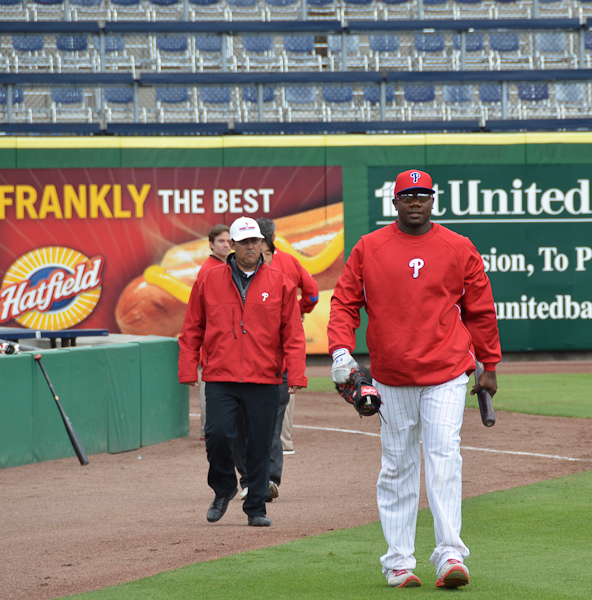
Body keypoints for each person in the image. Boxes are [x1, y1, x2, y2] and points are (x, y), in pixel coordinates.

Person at [327, 169, 501, 589]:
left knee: (444, 458)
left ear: (433, 200)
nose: (416, 201)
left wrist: (489, 364)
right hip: (390, 376)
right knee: (398, 466)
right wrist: (339, 351)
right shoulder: (370, 247)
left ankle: (450, 555)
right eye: (408, 196)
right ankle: (398, 562)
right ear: (396, 202)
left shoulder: (459, 247)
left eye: (423, 195)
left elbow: (480, 307)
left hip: (447, 372)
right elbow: (344, 302)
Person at [179, 216, 307, 527]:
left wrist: (298, 374)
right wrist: (187, 368)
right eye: (244, 242)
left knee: (261, 443)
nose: (251, 247)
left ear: (264, 244)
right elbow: (192, 327)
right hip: (220, 374)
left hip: (264, 375)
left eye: (255, 241)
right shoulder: (208, 281)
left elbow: (293, 333)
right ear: (232, 246)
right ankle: (223, 488)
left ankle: (256, 507)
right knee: (218, 435)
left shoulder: (281, 283)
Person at [255, 217, 319, 494]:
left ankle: (261, 473)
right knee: (284, 394)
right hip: (291, 325)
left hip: (260, 334)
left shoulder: (249, 264)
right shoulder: (290, 261)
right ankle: (286, 442)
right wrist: (303, 309)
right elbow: (313, 293)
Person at [196, 224, 232, 442]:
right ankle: (206, 429)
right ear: (211, 244)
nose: (226, 245)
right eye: (221, 241)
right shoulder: (209, 269)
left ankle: (209, 428)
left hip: (220, 341)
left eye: (229, 241)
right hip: (211, 340)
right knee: (209, 385)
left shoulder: (224, 266)